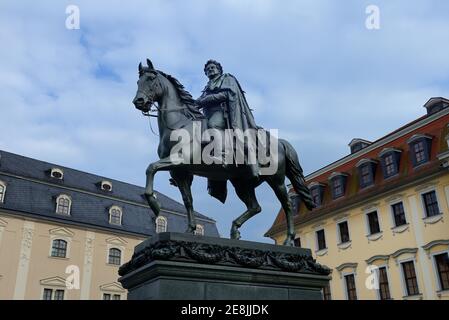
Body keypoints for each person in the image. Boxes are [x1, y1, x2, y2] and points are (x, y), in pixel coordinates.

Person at [196, 60, 261, 203]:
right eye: (208, 69)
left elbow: (227, 95)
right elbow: (200, 100)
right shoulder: (208, 86)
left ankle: (222, 155)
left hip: (224, 113)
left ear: (219, 69)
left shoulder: (227, 79)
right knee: (194, 132)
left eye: (213, 68)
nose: (210, 70)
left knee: (213, 126)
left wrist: (205, 100)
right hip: (208, 113)